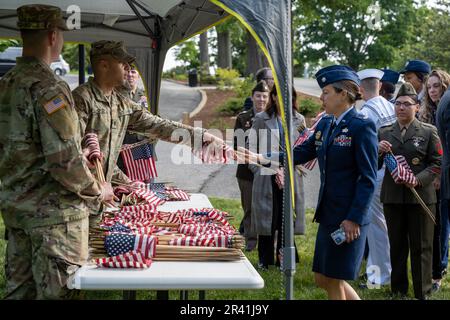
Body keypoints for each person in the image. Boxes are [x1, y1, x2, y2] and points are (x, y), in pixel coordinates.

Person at [0, 4, 114, 299]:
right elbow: (64, 161)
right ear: (53, 36)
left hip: (17, 213)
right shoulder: (48, 87)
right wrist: (96, 190)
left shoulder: (6, 85)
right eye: (61, 33)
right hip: (55, 224)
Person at [250, 65, 378, 299]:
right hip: (329, 213)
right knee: (322, 277)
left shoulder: (362, 125)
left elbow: (367, 178)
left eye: (326, 92)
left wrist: (354, 218)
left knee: (333, 279)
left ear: (343, 93)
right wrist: (261, 158)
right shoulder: (326, 124)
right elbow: (297, 154)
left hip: (348, 217)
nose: (321, 97)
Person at [72, 40, 223, 224]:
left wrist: (200, 137)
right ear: (104, 65)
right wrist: (96, 188)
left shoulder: (120, 102)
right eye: (123, 63)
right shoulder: (81, 99)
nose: (128, 68)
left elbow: (156, 125)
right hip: (79, 205)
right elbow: (71, 156)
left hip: (103, 202)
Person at [378, 82, 442, 300]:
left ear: (416, 106)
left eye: (406, 104)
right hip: (393, 198)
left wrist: (417, 179)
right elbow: (373, 165)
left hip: (421, 198)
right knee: (396, 246)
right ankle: (398, 290)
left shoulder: (428, 131)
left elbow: (436, 163)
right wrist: (377, 151)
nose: (401, 108)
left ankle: (422, 292)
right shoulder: (384, 132)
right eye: (398, 104)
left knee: (422, 247)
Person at [248, 85, 306, 269]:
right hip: (266, 176)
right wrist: (258, 169)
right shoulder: (260, 119)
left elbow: (305, 148)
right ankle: (264, 260)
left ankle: (284, 259)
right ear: (273, 97)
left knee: (286, 218)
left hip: (290, 178)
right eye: (279, 96)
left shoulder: (299, 120)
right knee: (267, 219)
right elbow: (250, 149)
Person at [357, 68, 395, 287]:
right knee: (383, 226)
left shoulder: (366, 113)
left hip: (377, 172)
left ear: (361, 89)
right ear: (379, 85)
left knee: (376, 228)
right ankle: (381, 272)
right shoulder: (389, 106)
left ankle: (378, 276)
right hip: (390, 170)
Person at [234, 80, 270, 251]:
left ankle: (267, 242)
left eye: (264, 96)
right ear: (252, 97)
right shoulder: (243, 118)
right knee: (249, 208)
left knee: (267, 209)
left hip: (269, 170)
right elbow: (238, 146)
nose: (261, 99)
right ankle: (250, 241)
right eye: (258, 96)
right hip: (246, 172)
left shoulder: (274, 118)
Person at [427, 70, 450, 292]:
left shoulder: (446, 106)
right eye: (429, 86)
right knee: (438, 225)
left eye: (436, 85)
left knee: (442, 225)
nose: (432, 90)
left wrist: (438, 174)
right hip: (432, 175)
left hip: (442, 175)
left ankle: (439, 270)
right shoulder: (426, 111)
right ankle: (437, 268)